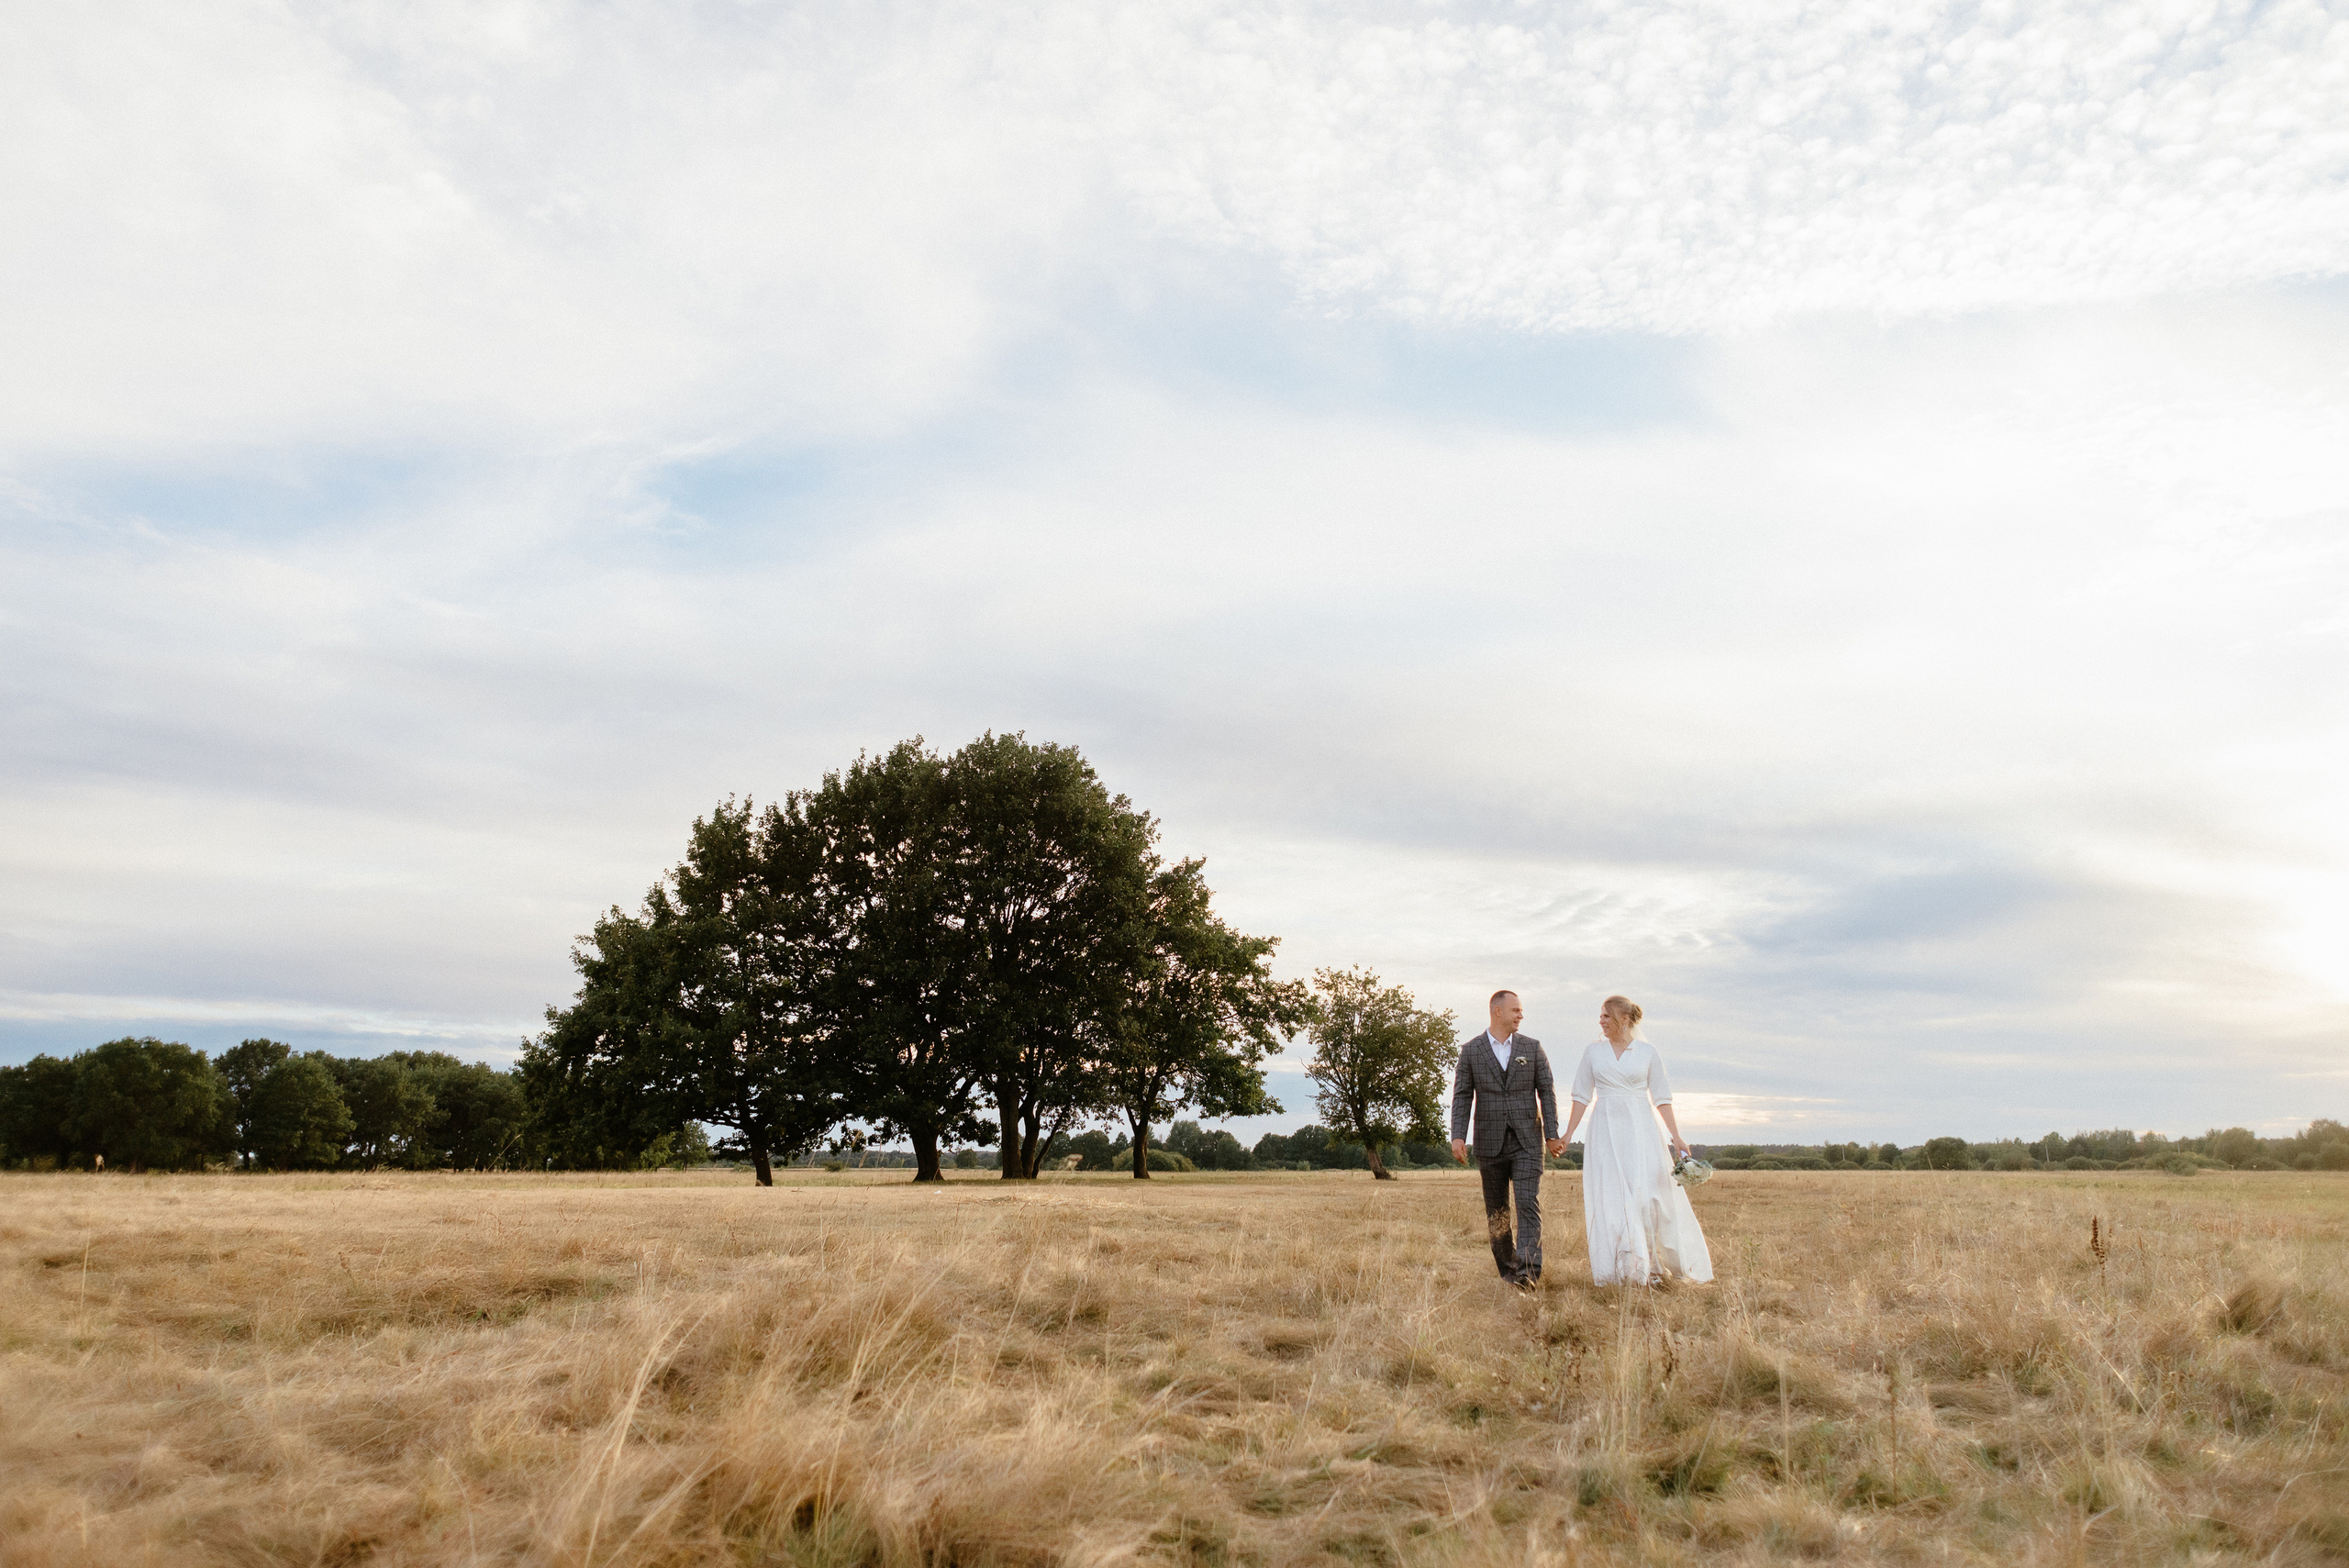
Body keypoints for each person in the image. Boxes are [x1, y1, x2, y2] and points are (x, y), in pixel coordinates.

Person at [1564, 995, 1713, 1285]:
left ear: (1624, 1019)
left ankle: (1656, 1267)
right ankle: (1626, 1271)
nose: (1601, 1021)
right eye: (1601, 1016)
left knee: (1647, 1198)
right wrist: (1568, 1134)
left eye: (1606, 1016)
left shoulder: (1647, 1052)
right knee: (1614, 1198)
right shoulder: (1593, 1052)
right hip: (1605, 1129)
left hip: (1641, 1129)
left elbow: (1661, 1097)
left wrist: (1676, 1135)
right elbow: (1581, 1095)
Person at [1449, 989, 1564, 1286]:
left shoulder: (1533, 1047)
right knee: (1497, 1211)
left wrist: (1552, 1134)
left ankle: (1528, 1271)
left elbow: (1547, 1093)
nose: (1521, 1016)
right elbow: (1462, 1096)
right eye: (1516, 1010)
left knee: (1527, 1202)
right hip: (1489, 1142)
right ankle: (1508, 1270)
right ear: (1497, 1011)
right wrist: (1458, 1137)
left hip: (1527, 1140)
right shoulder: (1471, 1051)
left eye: (1521, 1011)